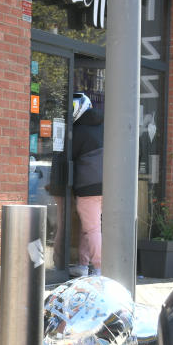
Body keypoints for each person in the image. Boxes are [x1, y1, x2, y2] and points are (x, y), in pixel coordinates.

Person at [70, 92, 104, 277]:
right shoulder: (104, 126)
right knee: (89, 226)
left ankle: (98, 268)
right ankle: (83, 264)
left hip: (88, 186)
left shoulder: (78, 130)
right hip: (108, 185)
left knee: (91, 228)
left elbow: (70, 156)